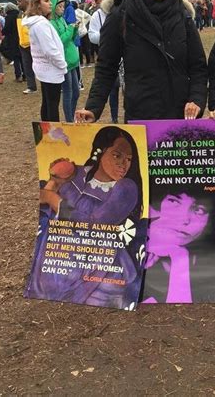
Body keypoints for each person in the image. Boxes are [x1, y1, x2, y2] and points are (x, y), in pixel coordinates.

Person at [75, 0, 208, 123]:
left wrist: (196, 99)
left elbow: (198, 67)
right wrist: (93, 107)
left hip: (179, 117)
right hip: (141, 117)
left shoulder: (182, 15)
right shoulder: (121, 13)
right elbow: (106, 67)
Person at [27, 126, 145, 308]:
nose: (124, 164)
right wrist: (54, 181)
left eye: (129, 159)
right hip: (60, 255)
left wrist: (54, 199)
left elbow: (94, 223)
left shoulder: (126, 188)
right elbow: (45, 206)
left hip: (101, 263)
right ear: (100, 151)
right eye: (117, 155)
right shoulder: (76, 173)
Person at [142, 127, 215, 303]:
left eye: (199, 210)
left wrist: (179, 258)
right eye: (174, 202)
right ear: (159, 200)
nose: (184, 219)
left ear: (214, 215)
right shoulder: (135, 233)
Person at [22, 0, 67, 121]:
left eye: (50, 1)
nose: (50, 4)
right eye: (46, 1)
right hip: (50, 69)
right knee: (52, 105)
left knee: (48, 102)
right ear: (38, 4)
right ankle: (52, 135)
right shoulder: (40, 24)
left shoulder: (39, 22)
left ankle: (47, 133)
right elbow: (50, 49)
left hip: (46, 69)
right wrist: (62, 65)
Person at [48, 0, 80, 123]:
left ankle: (71, 115)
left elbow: (69, 39)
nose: (62, 9)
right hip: (64, 62)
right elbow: (60, 41)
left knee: (76, 92)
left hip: (72, 60)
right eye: (59, 7)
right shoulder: (51, 24)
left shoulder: (61, 20)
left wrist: (75, 29)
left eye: (63, 6)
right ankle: (69, 120)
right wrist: (70, 30)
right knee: (68, 92)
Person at [17, 0, 37, 94]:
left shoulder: (33, 13)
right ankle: (31, 86)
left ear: (26, 1)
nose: (18, 4)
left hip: (33, 44)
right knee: (27, 66)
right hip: (23, 44)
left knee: (39, 65)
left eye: (19, 1)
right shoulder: (20, 14)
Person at [1, 3, 24, 82]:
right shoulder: (20, 15)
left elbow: (6, 29)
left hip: (12, 40)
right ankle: (25, 75)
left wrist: (3, 32)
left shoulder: (8, 17)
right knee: (22, 57)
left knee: (16, 58)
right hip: (22, 38)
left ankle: (18, 76)